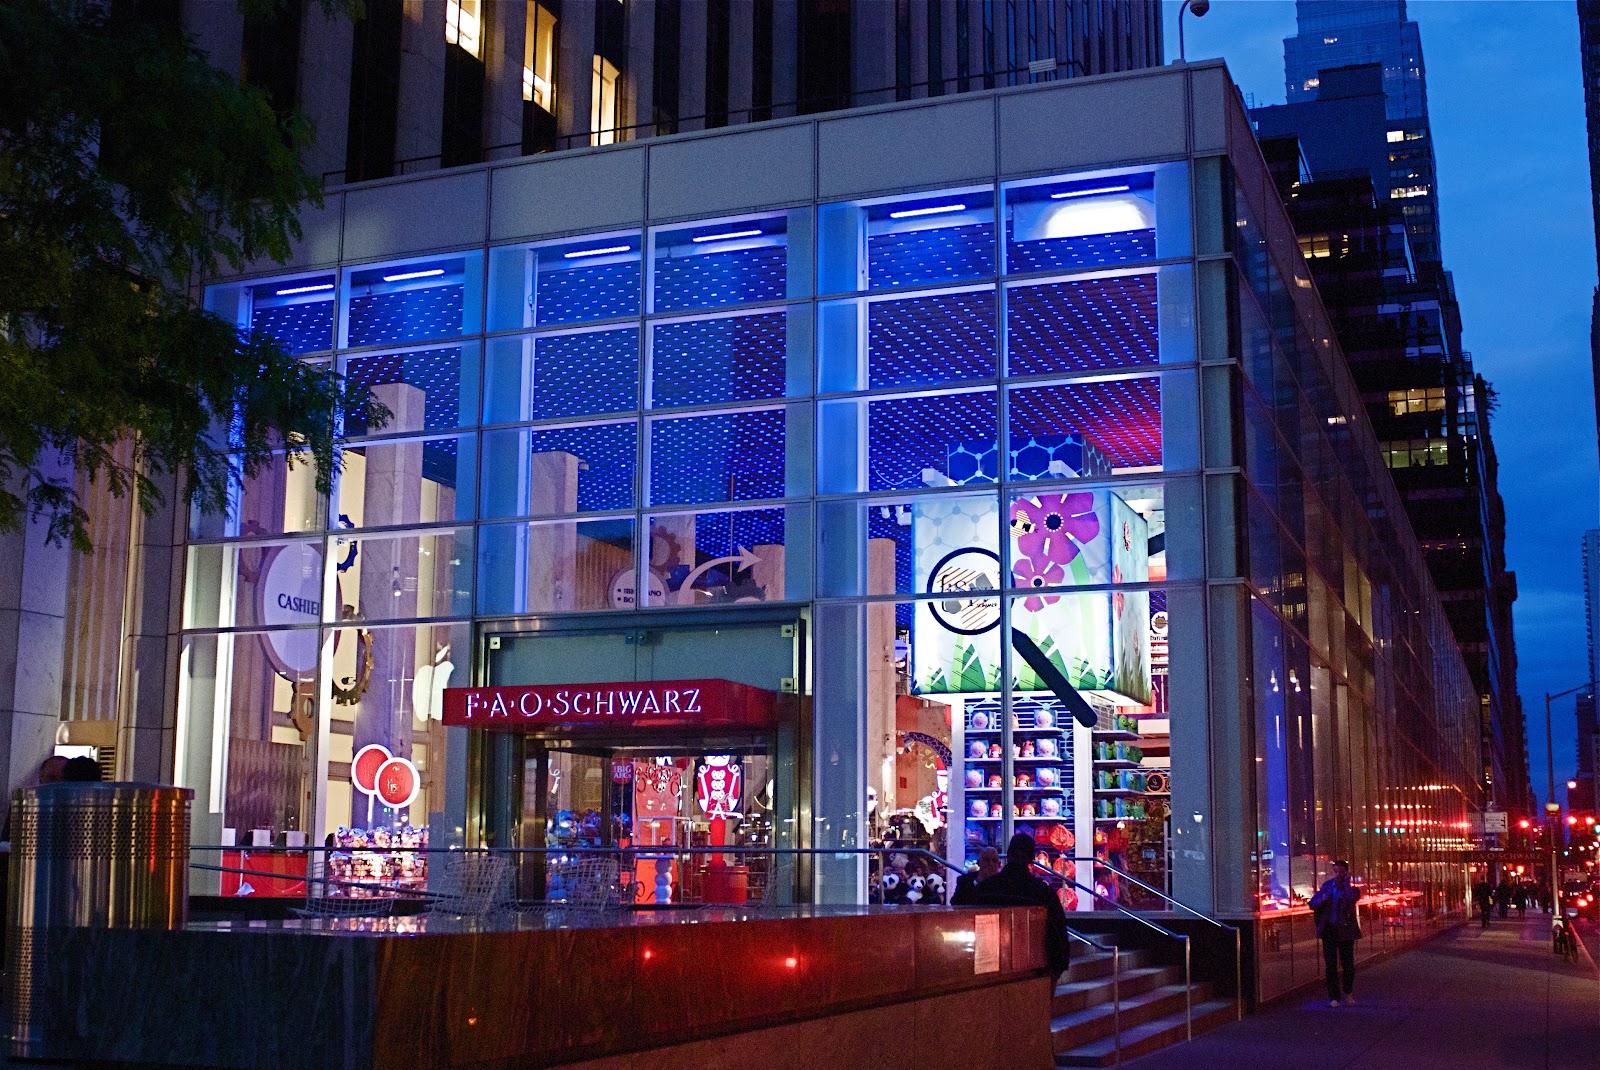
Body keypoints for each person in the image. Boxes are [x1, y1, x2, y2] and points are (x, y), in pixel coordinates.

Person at [971, 833, 1071, 982]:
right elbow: (1058, 932)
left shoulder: (986, 888)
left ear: (1008, 855)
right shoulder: (1042, 893)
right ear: (1031, 859)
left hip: (989, 967)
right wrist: (1057, 967)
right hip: (1034, 969)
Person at [1309, 860, 1362, 1008]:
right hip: (1329, 931)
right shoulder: (1327, 887)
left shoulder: (1351, 889)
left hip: (1346, 931)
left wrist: (1346, 884)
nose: (1338, 875)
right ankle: (1334, 997)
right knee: (1331, 965)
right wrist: (1323, 898)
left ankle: (1348, 991)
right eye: (1336, 871)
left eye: (1341, 872)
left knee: (1348, 964)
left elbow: (1353, 897)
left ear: (1346, 873)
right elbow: (1313, 903)